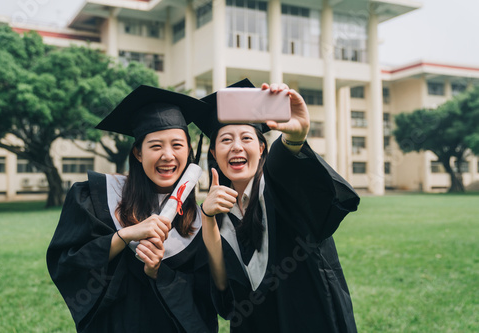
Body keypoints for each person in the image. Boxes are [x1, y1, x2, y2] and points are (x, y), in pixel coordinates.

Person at [46, 85, 218, 332]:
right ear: (138, 152)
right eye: (156, 146)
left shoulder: (201, 221)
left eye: (177, 145)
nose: (168, 155)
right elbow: (66, 264)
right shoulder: (97, 197)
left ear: (189, 152)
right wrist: (124, 235)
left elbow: (206, 298)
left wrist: (157, 271)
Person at [194, 80, 360, 332]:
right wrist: (207, 217)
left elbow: (285, 165)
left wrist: (294, 138)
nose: (237, 146)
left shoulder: (278, 186)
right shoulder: (218, 211)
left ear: (261, 149)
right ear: (214, 154)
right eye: (226, 140)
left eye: (247, 138)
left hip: (310, 318)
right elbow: (222, 287)